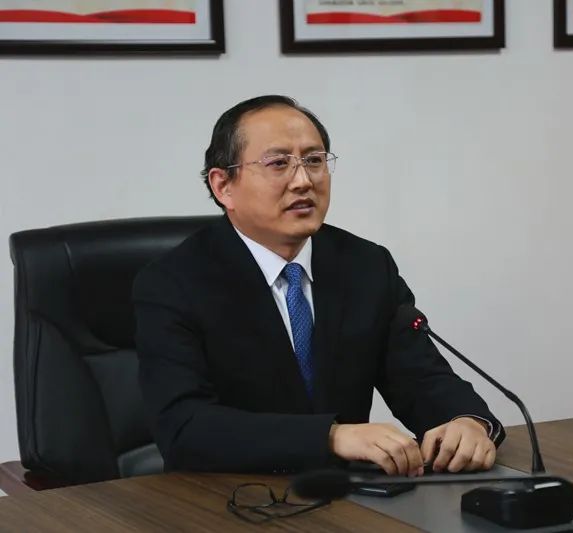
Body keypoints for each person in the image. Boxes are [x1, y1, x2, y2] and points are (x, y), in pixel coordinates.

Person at [133, 95, 504, 477]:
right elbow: (184, 427)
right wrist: (329, 437)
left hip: (347, 495)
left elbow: (419, 377)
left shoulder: (365, 266)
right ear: (223, 185)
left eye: (314, 161)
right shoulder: (173, 282)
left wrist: (466, 421)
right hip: (227, 495)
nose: (303, 181)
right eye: (279, 164)